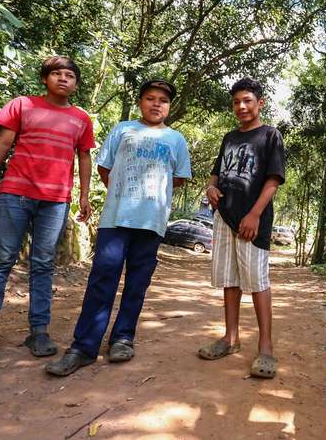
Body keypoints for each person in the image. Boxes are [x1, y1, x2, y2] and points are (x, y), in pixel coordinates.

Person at [46, 79, 191, 376]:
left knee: (138, 282)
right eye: (150, 98)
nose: (156, 104)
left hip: (151, 223)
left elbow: (178, 177)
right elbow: (104, 167)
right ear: (141, 101)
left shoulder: (176, 139)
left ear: (169, 106)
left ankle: (123, 338)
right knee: (103, 277)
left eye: (162, 100)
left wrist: (152, 196)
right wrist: (123, 194)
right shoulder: (122, 129)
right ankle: (84, 346)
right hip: (116, 218)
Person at [0, 56, 95, 362]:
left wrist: (84, 195)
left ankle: (38, 331)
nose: (63, 79)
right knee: (2, 259)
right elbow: (2, 143)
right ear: (45, 79)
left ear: (75, 84)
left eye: (70, 76)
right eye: (56, 74)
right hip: (15, 193)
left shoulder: (81, 119)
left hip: (56, 200)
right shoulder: (23, 105)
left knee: (43, 263)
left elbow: (85, 157)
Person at [197, 78, 285, 379]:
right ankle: (230, 339)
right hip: (224, 217)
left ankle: (266, 347)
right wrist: (210, 189)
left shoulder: (270, 136)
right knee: (230, 279)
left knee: (257, 280)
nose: (241, 106)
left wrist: (255, 214)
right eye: (236, 102)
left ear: (260, 103)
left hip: (252, 220)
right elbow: (215, 176)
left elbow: (272, 181)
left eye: (247, 100)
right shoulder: (229, 138)